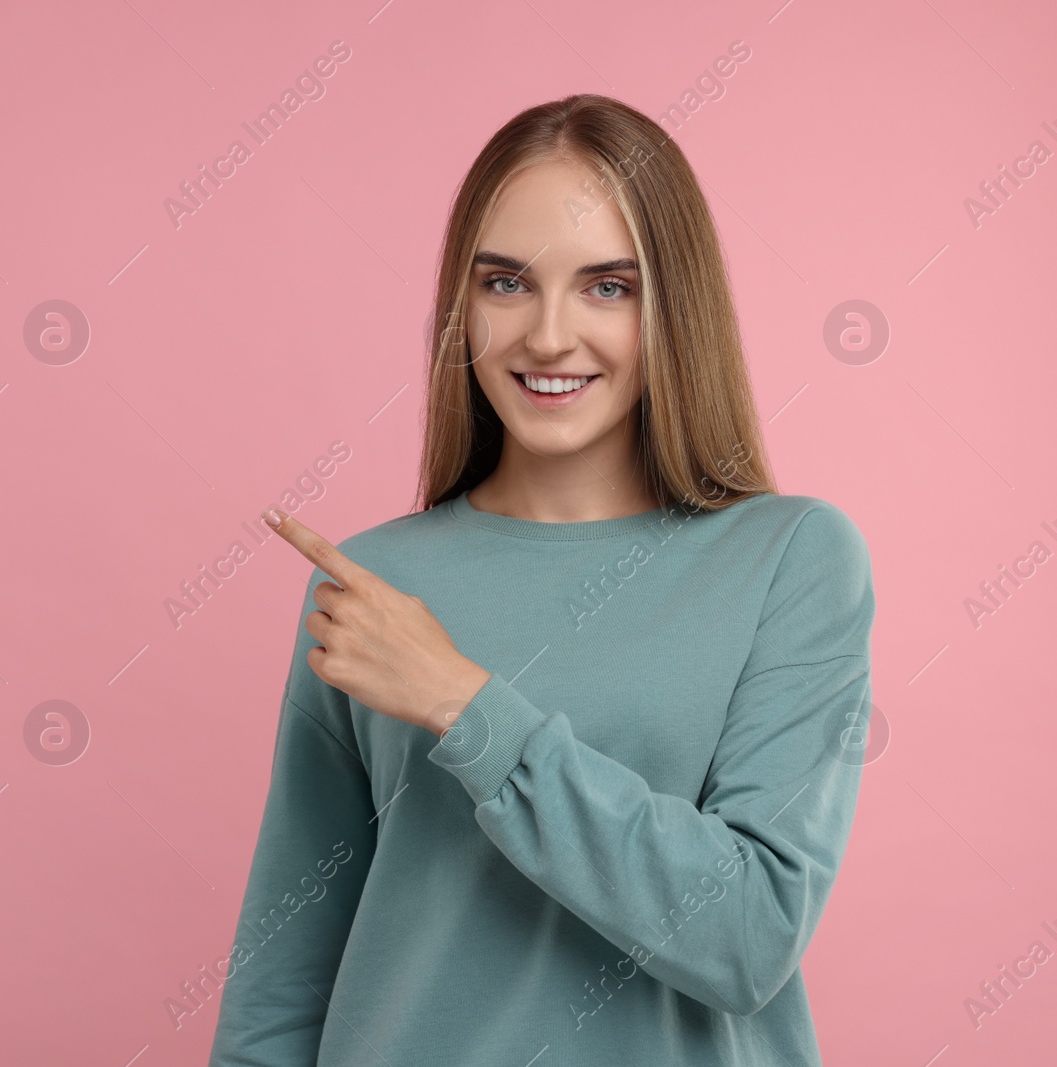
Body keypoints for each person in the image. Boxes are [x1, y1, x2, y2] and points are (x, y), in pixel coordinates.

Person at [204, 94, 877, 1067]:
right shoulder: (373, 582)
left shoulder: (790, 559)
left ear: (673, 304)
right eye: (507, 283)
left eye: (607, 286)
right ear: (461, 304)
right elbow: (282, 976)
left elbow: (745, 935)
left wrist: (461, 702)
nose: (549, 336)